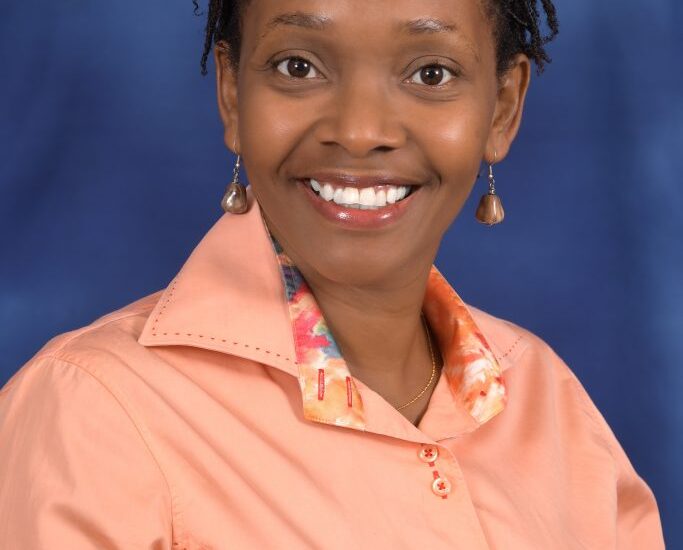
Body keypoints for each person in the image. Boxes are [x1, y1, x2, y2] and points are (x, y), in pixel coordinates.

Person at [0, 1, 666, 548]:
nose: (359, 131)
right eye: (299, 66)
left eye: (430, 73)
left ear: (501, 109)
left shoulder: (547, 402)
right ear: (232, 94)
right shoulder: (92, 412)